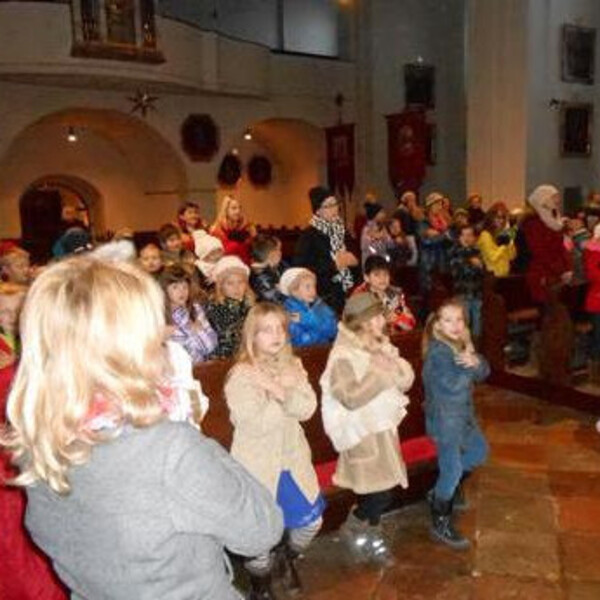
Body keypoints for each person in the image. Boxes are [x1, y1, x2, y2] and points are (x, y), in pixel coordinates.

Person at [0, 256, 283, 599]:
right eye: (153, 331)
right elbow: (261, 528)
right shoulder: (166, 449)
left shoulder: (39, 438)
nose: (163, 335)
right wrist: (188, 435)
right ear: (127, 348)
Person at [225, 303, 325, 597]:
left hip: (292, 461)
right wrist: (282, 391)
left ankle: (287, 556)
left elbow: (307, 408)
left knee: (311, 523)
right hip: (258, 466)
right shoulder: (242, 375)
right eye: (266, 330)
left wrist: (278, 389)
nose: (276, 335)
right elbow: (254, 425)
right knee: (259, 539)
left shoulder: (293, 365)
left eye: (280, 328)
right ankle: (261, 587)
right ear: (252, 336)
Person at [320, 293, 414, 565]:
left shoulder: (378, 345)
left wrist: (392, 367)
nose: (382, 320)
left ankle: (370, 534)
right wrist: (380, 374)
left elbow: (405, 379)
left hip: (383, 429)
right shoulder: (343, 355)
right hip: (361, 434)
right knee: (379, 491)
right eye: (375, 316)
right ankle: (354, 525)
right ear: (362, 322)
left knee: (383, 487)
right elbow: (348, 396)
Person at [422, 299, 490, 550]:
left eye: (459, 319)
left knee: (479, 452)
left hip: (463, 418)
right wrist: (471, 366)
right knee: (451, 470)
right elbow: (451, 387)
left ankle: (439, 492)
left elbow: (485, 372)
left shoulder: (460, 345)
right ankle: (440, 519)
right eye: (448, 320)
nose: (455, 325)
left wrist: (477, 362)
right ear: (438, 326)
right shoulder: (439, 352)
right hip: (445, 421)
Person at [294, 186, 358, 314]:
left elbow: (354, 257)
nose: (334, 209)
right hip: (323, 295)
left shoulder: (341, 230)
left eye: (335, 204)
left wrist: (354, 261)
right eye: (328, 206)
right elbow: (301, 267)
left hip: (346, 291)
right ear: (318, 210)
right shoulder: (309, 235)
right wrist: (334, 265)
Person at [160, 266, 217, 365]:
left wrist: (198, 331)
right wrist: (193, 333)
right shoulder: (159, 315)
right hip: (172, 370)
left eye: (185, 287)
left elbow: (210, 347)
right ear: (165, 290)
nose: (182, 292)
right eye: (175, 287)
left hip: (198, 367)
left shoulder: (196, 309)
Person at [205, 256, 254, 358]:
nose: (237, 288)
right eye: (230, 283)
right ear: (220, 286)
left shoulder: (247, 302)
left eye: (241, 282)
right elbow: (227, 338)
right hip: (226, 355)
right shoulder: (215, 307)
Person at [353, 255, 416, 331]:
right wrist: (384, 320)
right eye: (377, 275)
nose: (382, 278)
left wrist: (397, 319)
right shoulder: (359, 296)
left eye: (385, 274)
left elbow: (410, 322)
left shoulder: (394, 294)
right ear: (366, 277)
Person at [280, 267, 338, 347]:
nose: (313, 291)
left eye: (314, 286)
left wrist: (306, 319)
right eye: (308, 287)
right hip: (304, 354)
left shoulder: (320, 305)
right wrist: (321, 330)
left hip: (325, 350)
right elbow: (300, 340)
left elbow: (333, 329)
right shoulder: (289, 312)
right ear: (294, 291)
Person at [449, 225, 485, 339]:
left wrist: (478, 266)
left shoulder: (476, 250)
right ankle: (464, 348)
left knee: (478, 322)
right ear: (459, 237)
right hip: (462, 292)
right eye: (464, 235)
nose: (467, 238)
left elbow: (482, 271)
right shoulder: (454, 251)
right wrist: (472, 263)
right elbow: (458, 272)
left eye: (470, 235)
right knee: (464, 321)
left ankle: (476, 347)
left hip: (476, 291)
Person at [211, 195, 256, 265]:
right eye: (234, 208)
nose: (238, 211)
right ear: (226, 210)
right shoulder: (217, 229)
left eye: (240, 208)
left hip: (245, 266)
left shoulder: (248, 227)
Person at [477, 202, 516, 277]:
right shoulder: (485, 235)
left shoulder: (501, 234)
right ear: (491, 218)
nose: (501, 221)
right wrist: (503, 246)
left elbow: (512, 256)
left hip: (504, 275)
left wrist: (510, 242)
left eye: (503, 218)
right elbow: (493, 257)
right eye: (498, 217)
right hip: (491, 277)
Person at [249, 235, 286, 304]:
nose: (280, 253)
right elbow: (276, 300)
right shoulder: (260, 275)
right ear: (271, 255)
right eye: (278, 250)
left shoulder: (268, 270)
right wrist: (286, 290)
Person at [360, 201, 395, 267]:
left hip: (382, 262)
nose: (384, 214)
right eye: (381, 212)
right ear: (375, 214)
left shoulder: (383, 228)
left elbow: (391, 245)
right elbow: (365, 247)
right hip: (371, 264)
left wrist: (385, 238)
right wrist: (377, 237)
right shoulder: (366, 229)